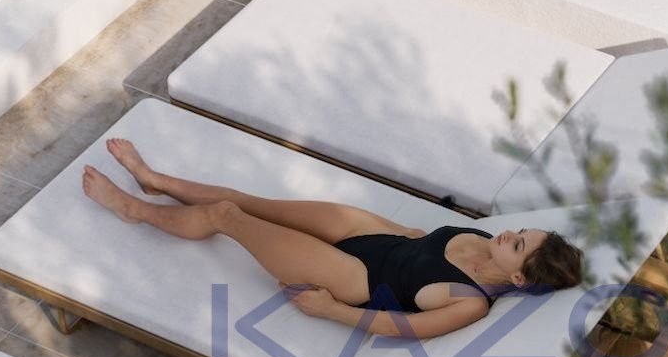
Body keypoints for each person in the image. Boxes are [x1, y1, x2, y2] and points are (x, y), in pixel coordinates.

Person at [82, 137, 583, 339]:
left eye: (518, 243)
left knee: (227, 215)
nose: (511, 232)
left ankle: (134, 209)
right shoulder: (482, 236)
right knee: (252, 201)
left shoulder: (470, 303)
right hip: (370, 235)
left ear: (519, 277)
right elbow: (415, 237)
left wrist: (331, 310)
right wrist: (371, 223)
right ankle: (155, 180)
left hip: (351, 277)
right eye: (521, 231)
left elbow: (400, 327)